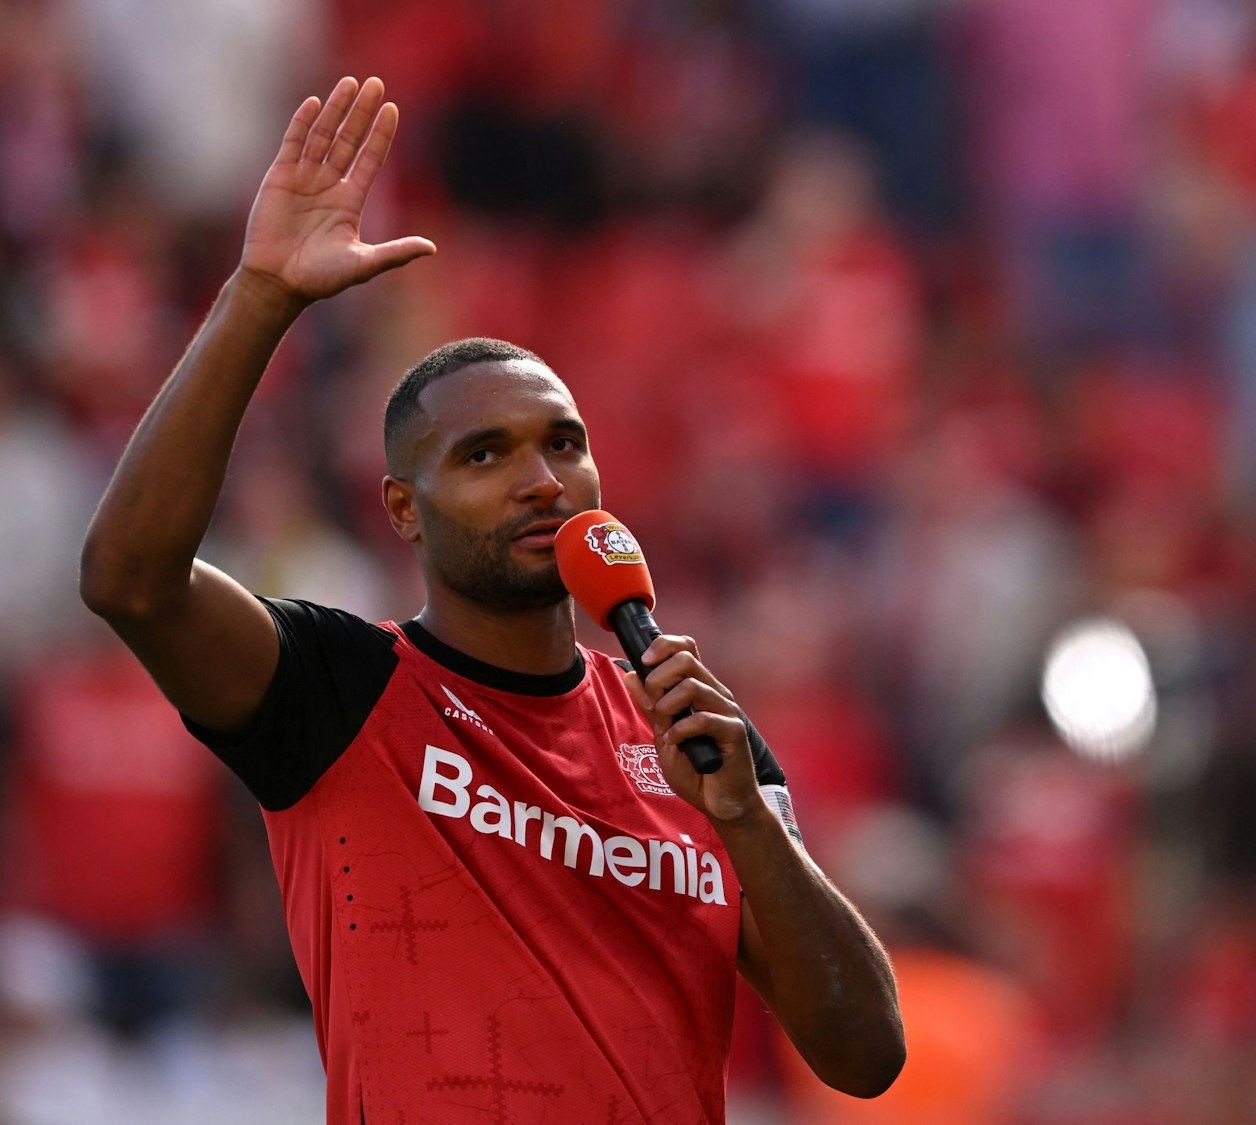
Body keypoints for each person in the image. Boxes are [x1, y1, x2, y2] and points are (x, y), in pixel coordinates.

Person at [77, 76, 905, 1123]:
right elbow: (129, 582)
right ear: (403, 511)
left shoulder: (698, 740)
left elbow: (866, 1056)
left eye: (564, 444)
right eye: (484, 454)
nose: (540, 480)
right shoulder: (338, 693)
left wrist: (747, 824)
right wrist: (260, 298)